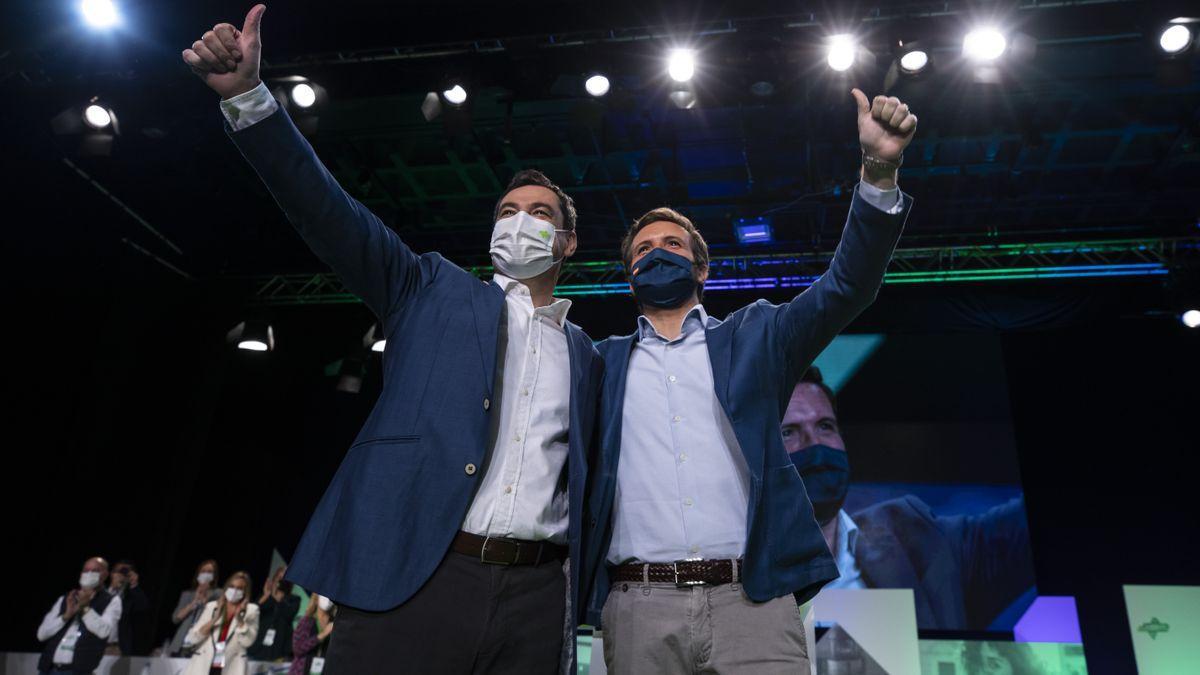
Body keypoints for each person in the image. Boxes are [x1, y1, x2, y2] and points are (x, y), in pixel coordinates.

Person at [182, 6, 603, 672]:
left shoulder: (589, 355)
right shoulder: (426, 286)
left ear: (567, 242)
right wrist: (249, 99)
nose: (519, 221)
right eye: (507, 211)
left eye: (539, 214)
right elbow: (327, 211)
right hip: (415, 578)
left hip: (538, 596)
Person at [582, 89, 916, 674]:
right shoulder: (597, 362)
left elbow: (847, 287)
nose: (657, 254)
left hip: (753, 603)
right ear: (629, 274)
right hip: (637, 607)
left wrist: (879, 172)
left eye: (672, 245)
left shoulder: (757, 337)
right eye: (643, 250)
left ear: (701, 267)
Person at [783, 367, 1035, 630]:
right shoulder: (740, 573)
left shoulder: (917, 537)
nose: (814, 444)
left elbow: (1021, 528)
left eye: (825, 426)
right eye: (788, 432)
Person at [36, 557, 123, 675]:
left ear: (105, 574)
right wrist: (66, 616)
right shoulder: (66, 599)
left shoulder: (111, 601)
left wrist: (85, 608)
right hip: (49, 669)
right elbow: (42, 634)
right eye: (86, 570)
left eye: (95, 571)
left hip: (78, 670)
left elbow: (104, 631)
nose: (89, 574)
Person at [182, 571, 260, 675]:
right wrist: (214, 619)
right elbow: (191, 638)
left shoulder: (251, 610)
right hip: (204, 664)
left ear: (245, 592)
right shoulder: (212, 606)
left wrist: (239, 619)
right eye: (232, 586)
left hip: (231, 666)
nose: (234, 590)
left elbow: (247, 641)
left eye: (239, 588)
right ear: (226, 587)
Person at [169, 559, 222, 656]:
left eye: (209, 572)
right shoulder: (187, 594)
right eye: (203, 571)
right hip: (181, 643)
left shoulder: (218, 594)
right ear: (198, 574)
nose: (206, 574)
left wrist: (205, 597)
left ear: (214, 576)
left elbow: (216, 615)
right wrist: (194, 601)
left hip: (202, 643)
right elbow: (176, 619)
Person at [248, 565, 300, 661]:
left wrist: (277, 597)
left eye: (284, 579)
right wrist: (267, 595)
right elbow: (252, 612)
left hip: (278, 650)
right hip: (256, 648)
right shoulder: (265, 597)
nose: (281, 581)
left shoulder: (294, 600)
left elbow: (288, 614)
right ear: (274, 579)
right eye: (279, 578)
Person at [105, 559, 149, 655]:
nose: (122, 575)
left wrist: (134, 584)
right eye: (119, 572)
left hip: (115, 648)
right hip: (93, 643)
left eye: (126, 573)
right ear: (112, 574)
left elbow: (143, 607)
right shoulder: (101, 594)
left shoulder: (131, 598)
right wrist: (113, 587)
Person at [290, 594, 336, 675]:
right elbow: (297, 649)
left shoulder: (334, 623)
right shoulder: (306, 621)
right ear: (316, 600)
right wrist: (321, 635)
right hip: (302, 670)